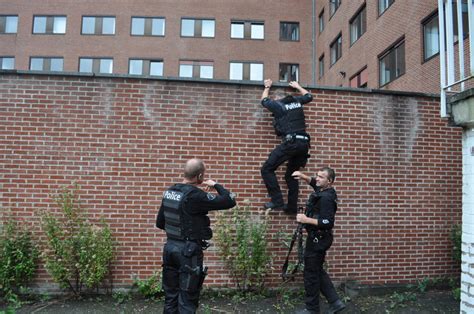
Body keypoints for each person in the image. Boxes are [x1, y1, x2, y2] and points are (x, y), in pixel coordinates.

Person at [156, 158, 236, 314]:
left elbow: (160, 223)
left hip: (170, 249)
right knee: (187, 299)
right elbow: (229, 200)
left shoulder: (170, 192)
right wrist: (215, 185)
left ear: (184, 173)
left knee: (171, 297)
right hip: (188, 252)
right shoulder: (195, 196)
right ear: (200, 176)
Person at [292, 168, 346, 314]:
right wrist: (302, 176)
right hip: (319, 238)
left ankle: (312, 310)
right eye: (317, 176)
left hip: (318, 239)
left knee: (311, 274)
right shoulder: (324, 190)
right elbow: (314, 183)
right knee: (317, 270)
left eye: (321, 177)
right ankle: (335, 302)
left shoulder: (327, 198)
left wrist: (306, 219)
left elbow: (328, 222)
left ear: (330, 181)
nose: (317, 179)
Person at [260, 79, 312, 214]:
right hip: (304, 144)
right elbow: (309, 96)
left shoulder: (279, 106)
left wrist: (267, 87)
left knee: (267, 169)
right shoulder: (297, 102)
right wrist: (298, 86)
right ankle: (292, 207)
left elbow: (264, 101)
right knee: (291, 175)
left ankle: (277, 201)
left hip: (292, 142)